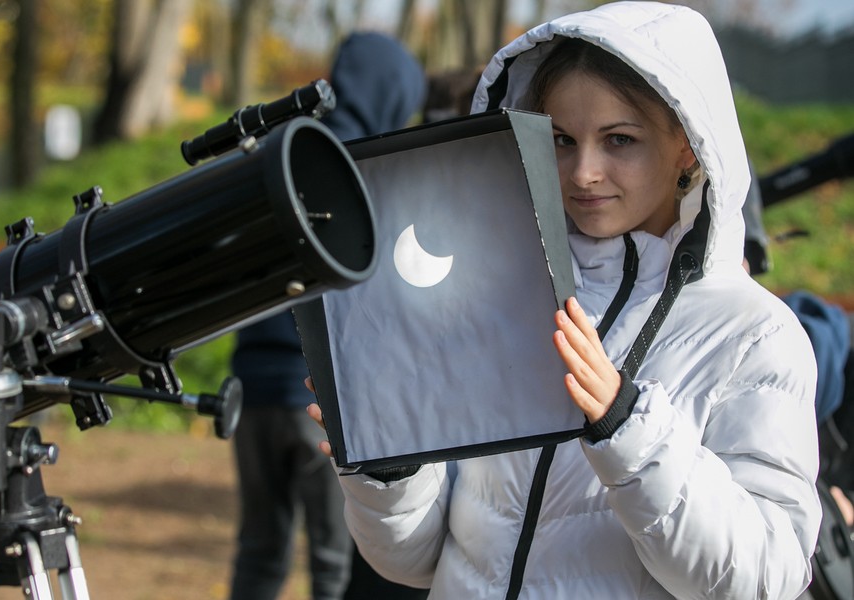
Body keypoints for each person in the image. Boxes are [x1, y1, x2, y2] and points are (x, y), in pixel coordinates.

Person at [306, 3, 822, 598]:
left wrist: (628, 425)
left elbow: (768, 576)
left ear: (686, 144)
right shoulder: (495, 295)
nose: (583, 172)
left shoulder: (755, 336)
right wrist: (388, 459)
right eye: (559, 139)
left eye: (619, 140)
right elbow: (414, 562)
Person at [228, 32, 427, 600]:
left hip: (251, 389)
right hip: (321, 399)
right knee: (334, 558)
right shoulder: (377, 172)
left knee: (259, 549)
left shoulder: (280, 154)